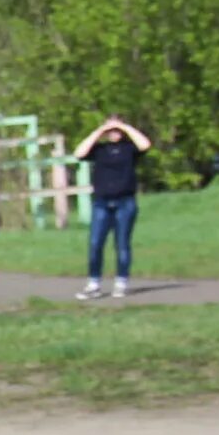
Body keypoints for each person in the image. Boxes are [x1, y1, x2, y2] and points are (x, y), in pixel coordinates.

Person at [75, 117, 151, 300]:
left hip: (125, 202)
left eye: (116, 130)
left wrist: (125, 126)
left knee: (122, 244)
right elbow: (79, 153)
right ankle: (94, 284)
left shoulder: (129, 149)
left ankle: (121, 283)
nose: (114, 133)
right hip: (102, 202)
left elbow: (145, 145)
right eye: (111, 130)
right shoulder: (99, 150)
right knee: (95, 243)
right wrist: (99, 131)